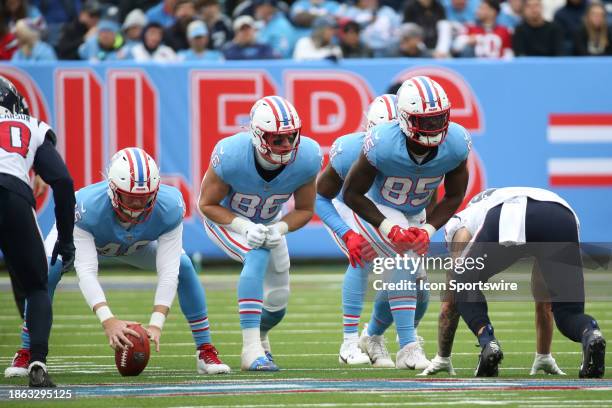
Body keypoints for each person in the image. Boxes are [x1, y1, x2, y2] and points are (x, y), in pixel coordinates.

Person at [5, 147, 230, 379]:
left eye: (144, 198)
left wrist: (156, 322)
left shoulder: (169, 205)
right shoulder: (87, 206)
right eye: (130, 197)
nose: (137, 206)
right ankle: (26, 349)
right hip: (84, 244)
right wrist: (108, 320)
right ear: (112, 190)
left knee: (184, 267)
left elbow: (169, 271)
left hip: (135, 245)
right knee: (48, 271)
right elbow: (87, 272)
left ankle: (205, 350)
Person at [343, 76, 471, 370]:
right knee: (405, 258)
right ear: (404, 119)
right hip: (379, 207)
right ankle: (408, 347)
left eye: (438, 118)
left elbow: (453, 196)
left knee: (421, 294)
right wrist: (388, 227)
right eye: (424, 121)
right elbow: (351, 193)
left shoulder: (456, 142)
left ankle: (371, 336)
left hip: (415, 212)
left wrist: (427, 229)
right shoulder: (382, 142)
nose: (434, 127)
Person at [198, 96, 321, 371]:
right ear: (258, 136)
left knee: (277, 301)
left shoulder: (308, 157)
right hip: (227, 221)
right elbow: (205, 204)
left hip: (269, 222)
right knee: (257, 253)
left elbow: (304, 209)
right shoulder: (230, 154)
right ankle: (251, 351)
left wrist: (279, 228)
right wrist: (244, 227)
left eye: (291, 137)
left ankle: (261, 338)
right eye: (278, 140)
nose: (287, 145)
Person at [443, 187, 606, 378]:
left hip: (507, 214)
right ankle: (591, 332)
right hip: (562, 215)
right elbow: (544, 288)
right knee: (569, 313)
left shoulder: (471, 212)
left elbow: (458, 266)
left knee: (462, 283)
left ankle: (488, 342)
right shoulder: (547, 198)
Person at [316, 95, 430, 366]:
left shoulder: (418, 150)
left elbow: (428, 194)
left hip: (393, 211)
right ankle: (350, 343)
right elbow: (320, 197)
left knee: (420, 284)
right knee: (364, 256)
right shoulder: (350, 151)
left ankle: (373, 336)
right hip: (349, 207)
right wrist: (347, 233)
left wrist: (423, 225)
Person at [420, 189, 569, 376]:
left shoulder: (463, 219)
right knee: (545, 298)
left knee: (460, 286)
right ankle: (544, 356)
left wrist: (443, 357)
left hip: (499, 228)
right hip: (551, 219)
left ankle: (487, 341)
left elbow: (454, 292)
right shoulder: (517, 202)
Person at [0, 76, 75, 387]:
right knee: (36, 285)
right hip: (12, 194)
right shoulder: (30, 124)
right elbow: (63, 181)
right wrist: (67, 240)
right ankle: (37, 364)